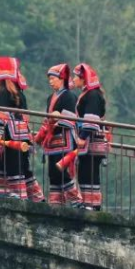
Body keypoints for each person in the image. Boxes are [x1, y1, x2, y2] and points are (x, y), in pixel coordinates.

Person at [0, 57, 43, 201]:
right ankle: (36, 196)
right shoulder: (19, 92)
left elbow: (1, 115)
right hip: (23, 134)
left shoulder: (3, 92)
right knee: (22, 164)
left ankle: (12, 193)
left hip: (9, 133)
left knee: (7, 162)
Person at [35, 64, 81, 205]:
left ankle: (75, 199)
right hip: (52, 140)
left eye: (53, 78)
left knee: (60, 170)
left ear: (61, 79)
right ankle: (56, 204)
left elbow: (72, 119)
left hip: (65, 139)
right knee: (52, 173)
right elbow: (48, 118)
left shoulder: (69, 96)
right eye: (49, 78)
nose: (50, 81)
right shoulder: (50, 98)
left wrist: (57, 118)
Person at [72, 63, 109, 211]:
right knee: (84, 171)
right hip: (89, 139)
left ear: (83, 79)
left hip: (92, 139)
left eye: (76, 76)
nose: (74, 79)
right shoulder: (89, 93)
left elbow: (91, 118)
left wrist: (82, 136)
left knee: (90, 172)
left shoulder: (92, 95)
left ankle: (93, 205)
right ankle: (88, 202)